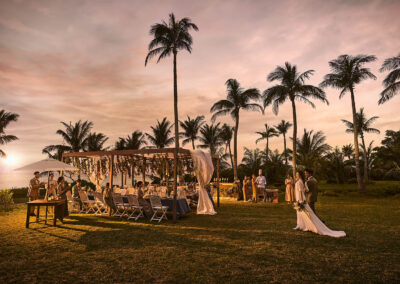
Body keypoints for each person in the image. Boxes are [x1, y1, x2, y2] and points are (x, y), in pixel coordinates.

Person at [293, 171, 345, 238]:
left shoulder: (299, 182)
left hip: (300, 198)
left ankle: (306, 225)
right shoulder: (304, 181)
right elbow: (307, 190)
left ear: (299, 175)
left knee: (306, 213)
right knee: (304, 212)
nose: (296, 175)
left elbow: (300, 191)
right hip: (302, 198)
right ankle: (301, 225)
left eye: (297, 174)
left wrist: (300, 200)